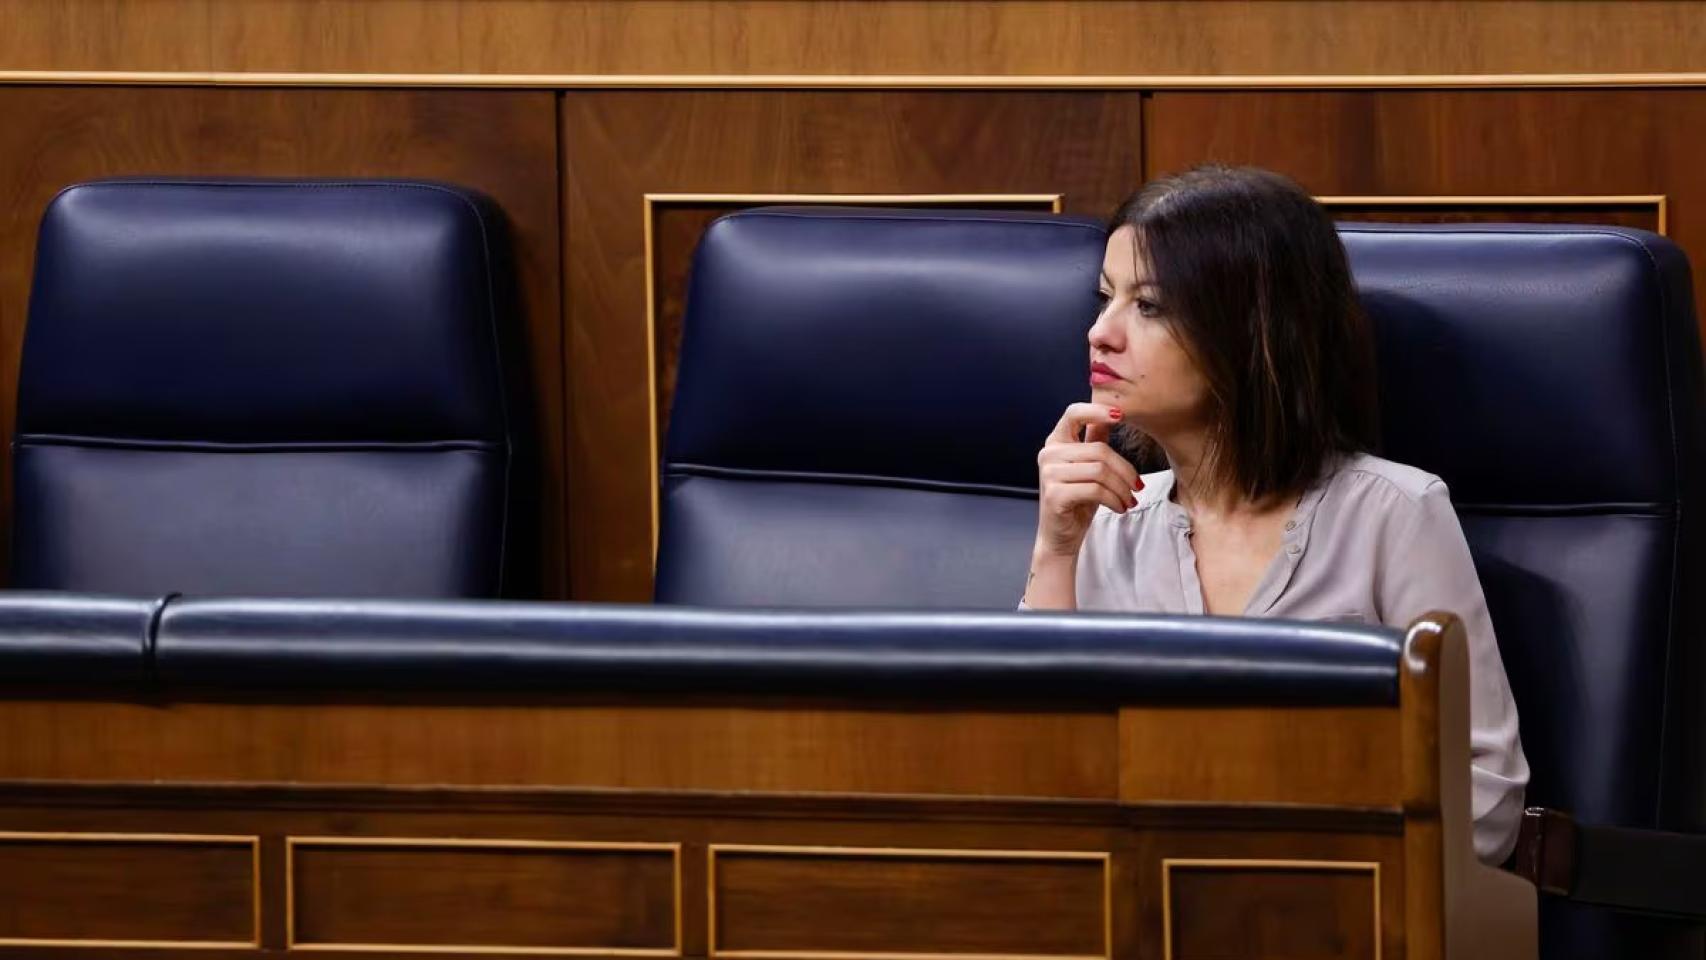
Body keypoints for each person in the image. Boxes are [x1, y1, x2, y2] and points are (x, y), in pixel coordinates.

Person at [1021, 165, 1528, 865]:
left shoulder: (1394, 514)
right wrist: (1055, 550)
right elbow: (1036, 774)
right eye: (1106, 298)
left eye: (1151, 305)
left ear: (1254, 331)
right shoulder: (1108, 521)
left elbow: (1485, 797)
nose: (1099, 334)